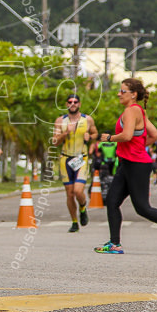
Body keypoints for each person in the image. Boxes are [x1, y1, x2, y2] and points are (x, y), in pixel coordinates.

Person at [95, 78, 157, 255]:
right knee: (112, 201)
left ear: (133, 94)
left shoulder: (131, 111)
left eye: (122, 91)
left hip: (137, 164)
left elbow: (127, 135)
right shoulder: (139, 111)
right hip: (129, 163)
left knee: (142, 208)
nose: (119, 94)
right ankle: (114, 244)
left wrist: (109, 138)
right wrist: (138, 146)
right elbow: (154, 135)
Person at [52, 94, 98, 232]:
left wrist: (90, 136)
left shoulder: (87, 119)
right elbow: (55, 142)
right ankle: (74, 221)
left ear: (79, 104)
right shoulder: (60, 121)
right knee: (70, 193)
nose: (73, 104)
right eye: (70, 102)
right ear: (66, 104)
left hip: (81, 159)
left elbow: (95, 134)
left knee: (78, 191)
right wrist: (65, 133)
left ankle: (83, 208)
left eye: (75, 102)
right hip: (65, 159)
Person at [96, 136, 119, 202]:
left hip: (104, 163)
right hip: (114, 161)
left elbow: (98, 154)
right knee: (113, 178)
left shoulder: (101, 144)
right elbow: (117, 152)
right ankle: (113, 193)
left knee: (104, 179)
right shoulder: (115, 143)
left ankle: (105, 194)